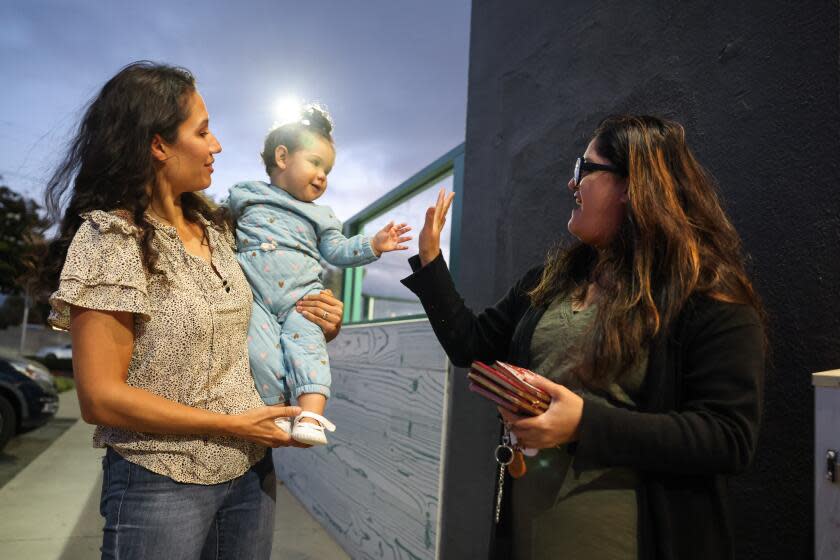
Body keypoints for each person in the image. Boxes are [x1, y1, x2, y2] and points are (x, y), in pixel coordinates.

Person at [401, 115, 766, 559]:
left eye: (584, 170)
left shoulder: (704, 295)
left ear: (635, 185)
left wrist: (583, 423)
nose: (570, 183)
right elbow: (470, 345)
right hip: (529, 536)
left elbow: (728, 437)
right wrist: (431, 260)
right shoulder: (551, 281)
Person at [41, 61, 345, 559]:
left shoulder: (221, 231)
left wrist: (317, 319)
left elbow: (260, 320)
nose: (217, 146)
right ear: (158, 145)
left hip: (250, 471)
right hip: (159, 483)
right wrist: (229, 424)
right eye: (202, 132)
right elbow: (100, 399)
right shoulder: (112, 240)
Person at [228, 105, 411, 445]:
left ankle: (311, 414)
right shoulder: (247, 196)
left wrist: (373, 243)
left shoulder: (322, 216)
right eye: (315, 162)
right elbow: (220, 228)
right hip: (255, 298)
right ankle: (276, 414)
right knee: (259, 352)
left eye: (327, 169)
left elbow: (337, 250)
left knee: (309, 348)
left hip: (303, 300)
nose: (323, 175)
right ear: (282, 157)